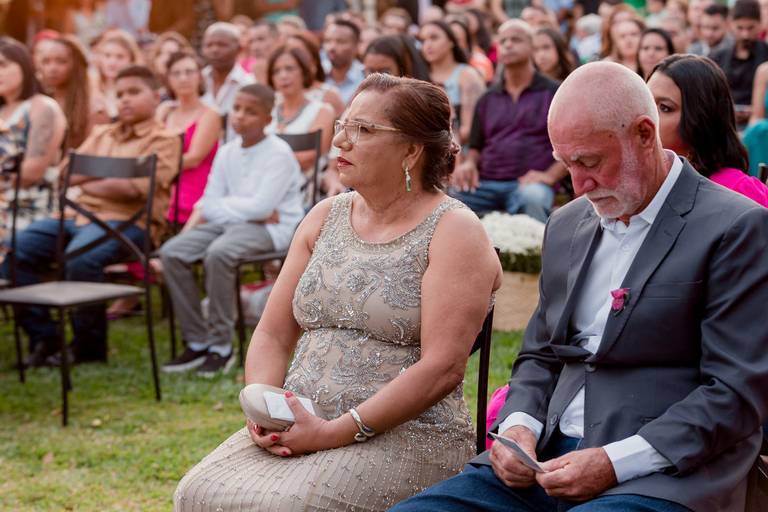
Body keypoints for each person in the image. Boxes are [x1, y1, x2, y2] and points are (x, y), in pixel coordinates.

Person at [392, 59, 768, 512]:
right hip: (540, 462)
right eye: (566, 164)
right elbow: (540, 354)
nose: (578, 184)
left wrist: (613, 462)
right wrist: (518, 426)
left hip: (661, 475)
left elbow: (734, 393)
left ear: (645, 134)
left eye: (589, 162)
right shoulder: (568, 224)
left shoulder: (735, 227)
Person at [172, 72, 501, 511]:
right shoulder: (324, 216)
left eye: (363, 129)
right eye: (344, 125)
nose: (341, 141)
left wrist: (333, 432)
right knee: (195, 491)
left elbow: (443, 368)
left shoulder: (455, 230)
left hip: (406, 435)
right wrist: (264, 409)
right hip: (299, 421)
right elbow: (272, 333)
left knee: (286, 508)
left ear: (411, 150)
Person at [8, 65, 180, 368]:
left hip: (129, 223)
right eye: (120, 94)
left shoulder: (165, 139)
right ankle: (45, 337)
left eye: (134, 92)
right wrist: (107, 178)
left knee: (81, 257)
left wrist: (88, 178)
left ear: (156, 97)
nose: (125, 99)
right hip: (76, 216)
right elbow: (66, 174)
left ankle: (88, 346)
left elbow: (133, 190)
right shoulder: (102, 133)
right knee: (16, 248)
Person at [160, 83, 304, 376]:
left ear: (268, 118)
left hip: (273, 231)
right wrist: (249, 210)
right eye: (236, 109)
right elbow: (210, 203)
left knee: (219, 253)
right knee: (172, 252)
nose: (240, 116)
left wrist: (244, 210)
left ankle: (221, 346)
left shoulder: (279, 153)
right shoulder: (226, 152)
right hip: (230, 225)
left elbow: (261, 207)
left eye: (250, 111)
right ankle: (197, 340)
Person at [451, 20, 565, 224]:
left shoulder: (554, 93)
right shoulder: (487, 98)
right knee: (449, 200)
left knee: (533, 198)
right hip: (486, 184)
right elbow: (476, 147)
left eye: (516, 39)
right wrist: (469, 164)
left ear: (532, 46)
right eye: (503, 41)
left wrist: (550, 176)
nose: (508, 45)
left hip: (530, 184)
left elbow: (572, 146)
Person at [648, 54, 768, 206]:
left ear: (700, 119)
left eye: (665, 108)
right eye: (646, 101)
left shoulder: (739, 192)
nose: (647, 115)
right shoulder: (635, 182)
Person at [0, 37, 67, 236]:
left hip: (27, 209)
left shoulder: (42, 107)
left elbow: (32, 172)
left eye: (3, 65)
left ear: (23, 65)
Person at [265, 45, 335, 200]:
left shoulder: (322, 110)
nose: (283, 76)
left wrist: (262, 157)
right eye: (276, 71)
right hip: (263, 187)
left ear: (304, 72)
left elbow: (308, 159)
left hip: (302, 192)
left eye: (289, 69)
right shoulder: (266, 111)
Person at [419, 20, 485, 145]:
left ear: (451, 41)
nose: (427, 45)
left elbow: (470, 129)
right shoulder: (417, 77)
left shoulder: (467, 75)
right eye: (422, 40)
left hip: (460, 149)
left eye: (434, 38)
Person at [711, 0, 768, 121]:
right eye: (740, 28)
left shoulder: (766, 56)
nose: (745, 35)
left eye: (750, 28)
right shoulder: (717, 56)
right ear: (731, 24)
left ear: (760, 24)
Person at [35, 35, 92, 150]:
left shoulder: (93, 107)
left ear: (75, 64)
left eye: (61, 62)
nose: (52, 68)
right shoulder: (42, 101)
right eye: (46, 62)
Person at [200, 22, 255, 121]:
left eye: (222, 45)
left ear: (239, 49)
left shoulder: (248, 84)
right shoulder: (197, 81)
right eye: (209, 45)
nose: (214, 50)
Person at [286, 31, 345, 117]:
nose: (291, 57)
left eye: (298, 52)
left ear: (313, 58)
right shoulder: (279, 95)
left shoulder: (329, 95)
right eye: (288, 52)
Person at [91, 29, 143, 124]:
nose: (112, 62)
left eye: (120, 57)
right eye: (107, 56)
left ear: (131, 60)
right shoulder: (91, 89)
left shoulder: (139, 91)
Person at [323, 19, 366, 105]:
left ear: (356, 45)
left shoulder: (365, 77)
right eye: (327, 41)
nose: (331, 47)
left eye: (341, 42)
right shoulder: (316, 75)